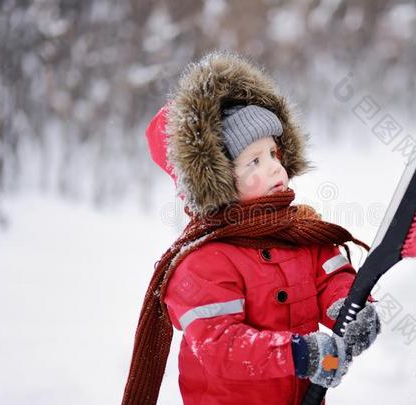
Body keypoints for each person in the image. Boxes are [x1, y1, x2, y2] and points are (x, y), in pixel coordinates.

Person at [122, 51, 381, 405]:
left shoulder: (300, 232)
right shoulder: (202, 262)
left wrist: (349, 308)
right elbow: (220, 344)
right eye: (255, 161)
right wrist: (300, 353)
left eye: (274, 154)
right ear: (218, 181)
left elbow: (330, 279)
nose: (276, 168)